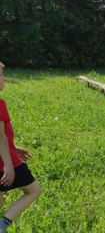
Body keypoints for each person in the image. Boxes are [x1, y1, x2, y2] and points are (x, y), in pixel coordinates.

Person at [0, 62, 41, 233]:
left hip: (6, 155)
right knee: (33, 191)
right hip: (6, 163)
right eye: (1, 74)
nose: (4, 78)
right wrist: (8, 164)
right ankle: (3, 224)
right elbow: (0, 136)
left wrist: (13, 147)